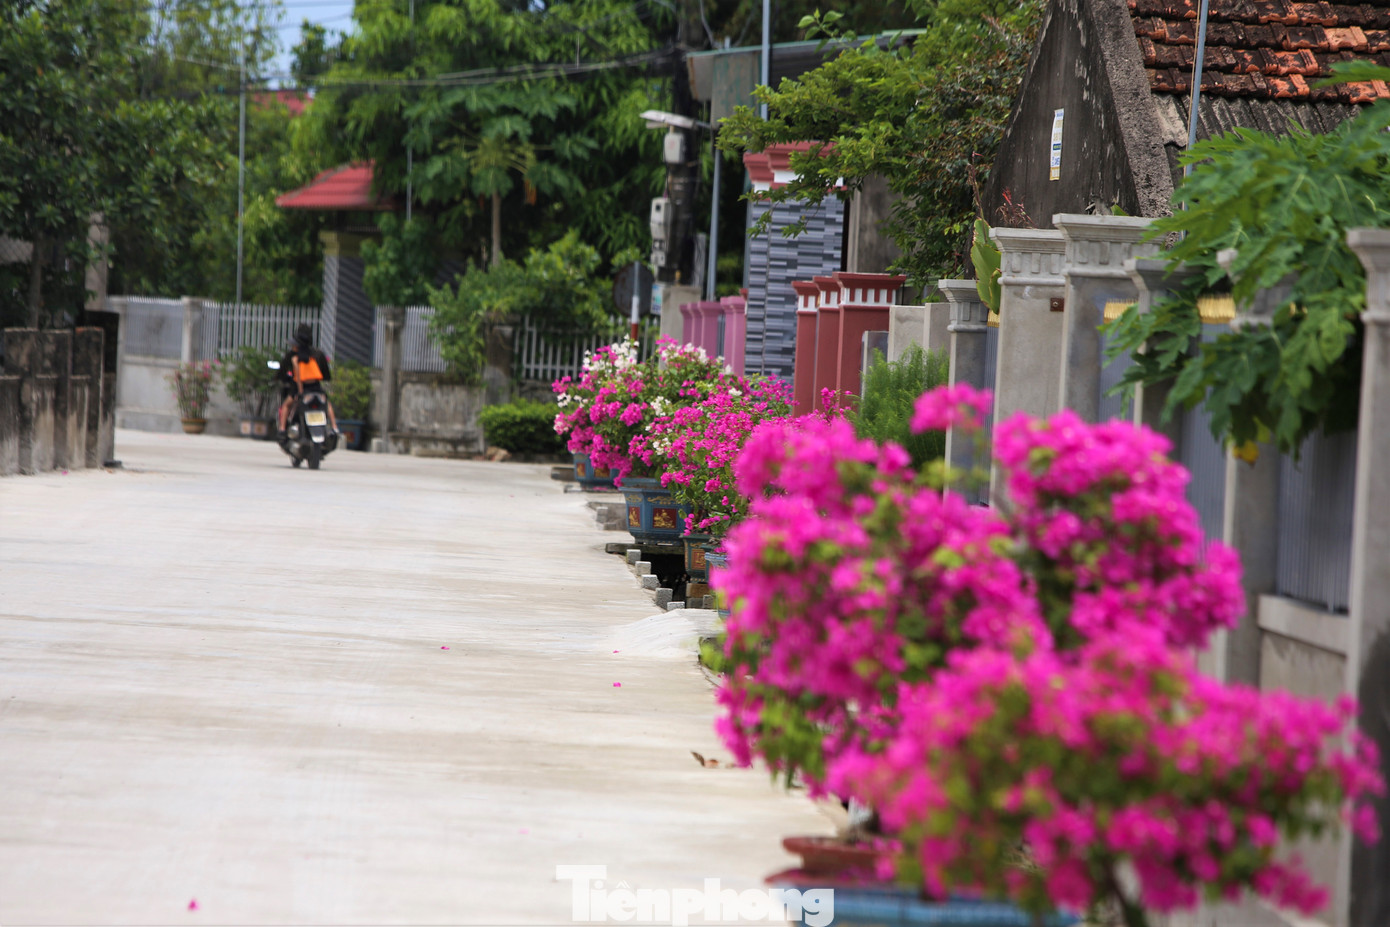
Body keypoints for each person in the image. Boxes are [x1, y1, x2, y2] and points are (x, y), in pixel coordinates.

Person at [277, 324, 339, 436]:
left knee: (286, 405)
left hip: (299, 388)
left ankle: (282, 429)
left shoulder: (293, 356)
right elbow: (326, 375)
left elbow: (284, 373)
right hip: (316, 387)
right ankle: (335, 427)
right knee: (327, 403)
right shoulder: (318, 354)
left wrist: (298, 390)